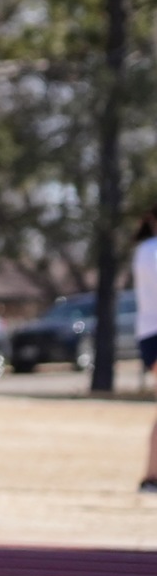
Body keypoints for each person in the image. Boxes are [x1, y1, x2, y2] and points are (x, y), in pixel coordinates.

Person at [135, 207, 156, 496]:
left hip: (147, 334)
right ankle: (151, 476)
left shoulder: (143, 250)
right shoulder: (151, 250)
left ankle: (151, 476)